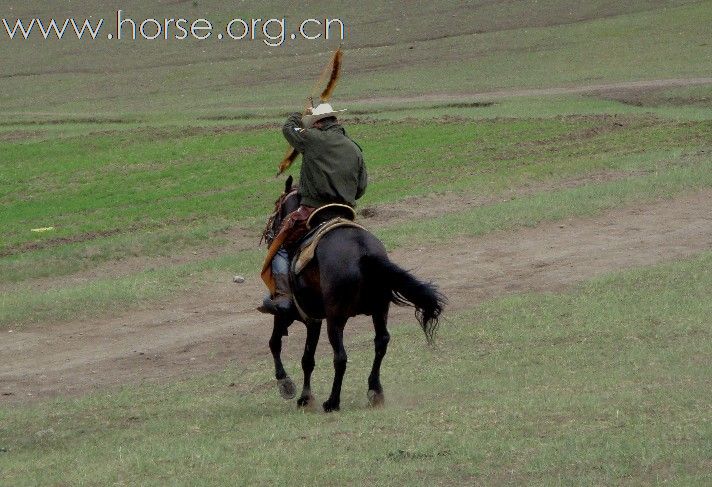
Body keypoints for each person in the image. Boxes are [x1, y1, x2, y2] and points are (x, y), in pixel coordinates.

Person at [258, 103, 367, 316]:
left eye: (312, 123)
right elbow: (361, 189)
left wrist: (299, 115)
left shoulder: (312, 138)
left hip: (314, 210)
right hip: (345, 211)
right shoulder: (354, 147)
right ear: (335, 121)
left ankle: (283, 295)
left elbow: (288, 129)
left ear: (317, 123)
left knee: (280, 242)